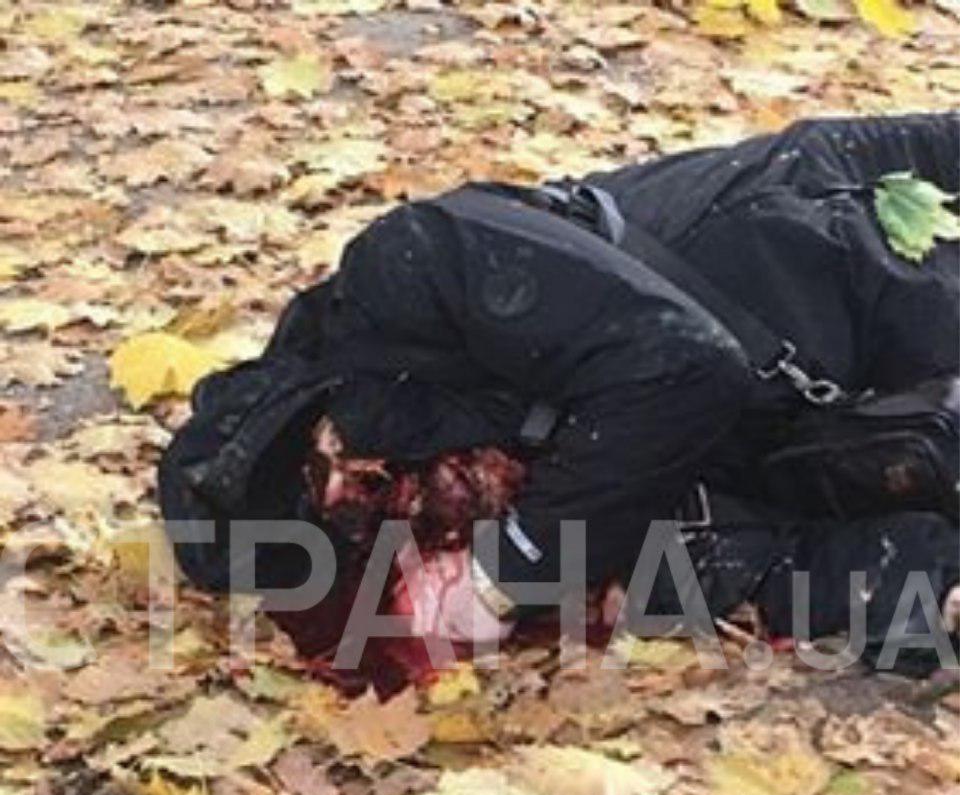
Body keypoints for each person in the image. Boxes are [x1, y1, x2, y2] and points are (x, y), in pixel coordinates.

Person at [159, 112, 960, 688]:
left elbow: (683, 364)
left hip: (837, 230)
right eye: (360, 534)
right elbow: (814, 571)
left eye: (340, 476)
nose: (371, 499)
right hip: (896, 393)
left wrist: (504, 573)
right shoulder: (551, 527)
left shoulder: (406, 272)